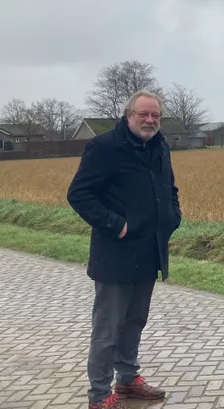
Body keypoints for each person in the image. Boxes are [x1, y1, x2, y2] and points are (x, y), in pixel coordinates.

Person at [67, 90, 181, 409]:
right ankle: (100, 395)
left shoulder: (159, 145)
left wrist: (172, 217)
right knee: (108, 329)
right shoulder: (104, 147)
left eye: (155, 115)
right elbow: (78, 194)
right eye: (143, 114)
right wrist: (117, 225)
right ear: (128, 114)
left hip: (149, 253)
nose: (149, 120)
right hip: (115, 255)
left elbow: (168, 188)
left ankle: (128, 380)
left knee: (134, 322)